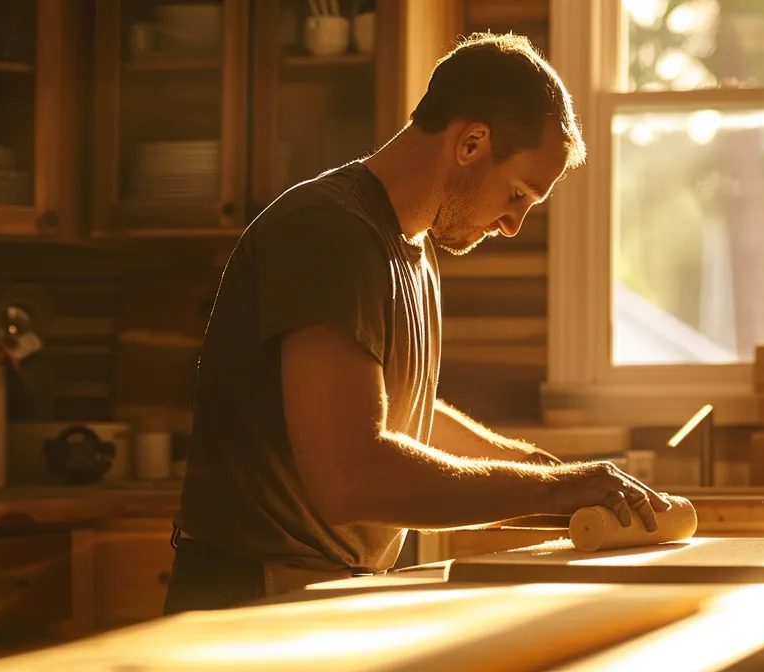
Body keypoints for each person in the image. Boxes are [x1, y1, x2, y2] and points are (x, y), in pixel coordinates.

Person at [162, 32, 672, 615]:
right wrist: (557, 489)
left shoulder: (413, 249)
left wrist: (540, 471)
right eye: (519, 193)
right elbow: (350, 474)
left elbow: (403, 414)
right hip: (248, 601)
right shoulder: (329, 232)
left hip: (319, 591)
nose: (513, 224)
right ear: (472, 142)